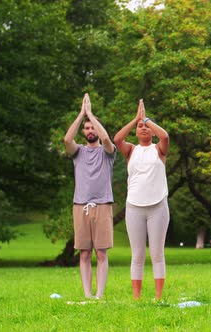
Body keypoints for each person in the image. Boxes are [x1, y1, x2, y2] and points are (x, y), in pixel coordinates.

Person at [114, 99, 170, 300]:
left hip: (158, 207)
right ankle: (137, 297)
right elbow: (117, 139)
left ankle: (158, 296)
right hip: (134, 207)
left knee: (157, 254)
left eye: (147, 126)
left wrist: (146, 118)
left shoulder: (158, 149)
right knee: (137, 255)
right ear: (136, 132)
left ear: (152, 131)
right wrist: (135, 119)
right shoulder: (131, 150)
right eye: (140, 127)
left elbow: (165, 135)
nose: (144, 128)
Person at [64, 93, 116, 299]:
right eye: (86, 128)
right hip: (80, 205)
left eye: (92, 126)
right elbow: (67, 139)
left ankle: (99, 295)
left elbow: (106, 139)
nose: (89, 130)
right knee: (84, 253)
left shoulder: (107, 152)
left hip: (102, 205)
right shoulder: (78, 151)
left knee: (101, 253)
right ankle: (87, 295)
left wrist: (91, 115)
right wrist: (81, 114)